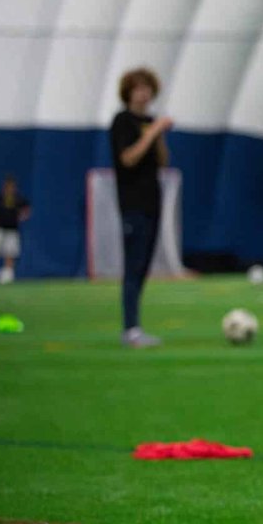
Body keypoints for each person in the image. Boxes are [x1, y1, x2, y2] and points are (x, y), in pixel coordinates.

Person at [108, 68, 171, 347]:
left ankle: (135, 326)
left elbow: (162, 161)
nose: (143, 94)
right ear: (128, 92)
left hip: (152, 202)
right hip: (132, 204)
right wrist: (152, 132)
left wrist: (157, 134)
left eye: (147, 88)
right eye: (138, 88)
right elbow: (128, 158)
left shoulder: (150, 122)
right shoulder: (123, 122)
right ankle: (130, 329)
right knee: (133, 266)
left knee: (144, 266)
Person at [0, 174, 31, 284]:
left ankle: (6, 277)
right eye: (8, 186)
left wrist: (23, 216)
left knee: (10, 254)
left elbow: (27, 209)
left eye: (12, 186)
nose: (11, 189)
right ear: (5, 187)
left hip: (12, 230)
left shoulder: (18, 200)